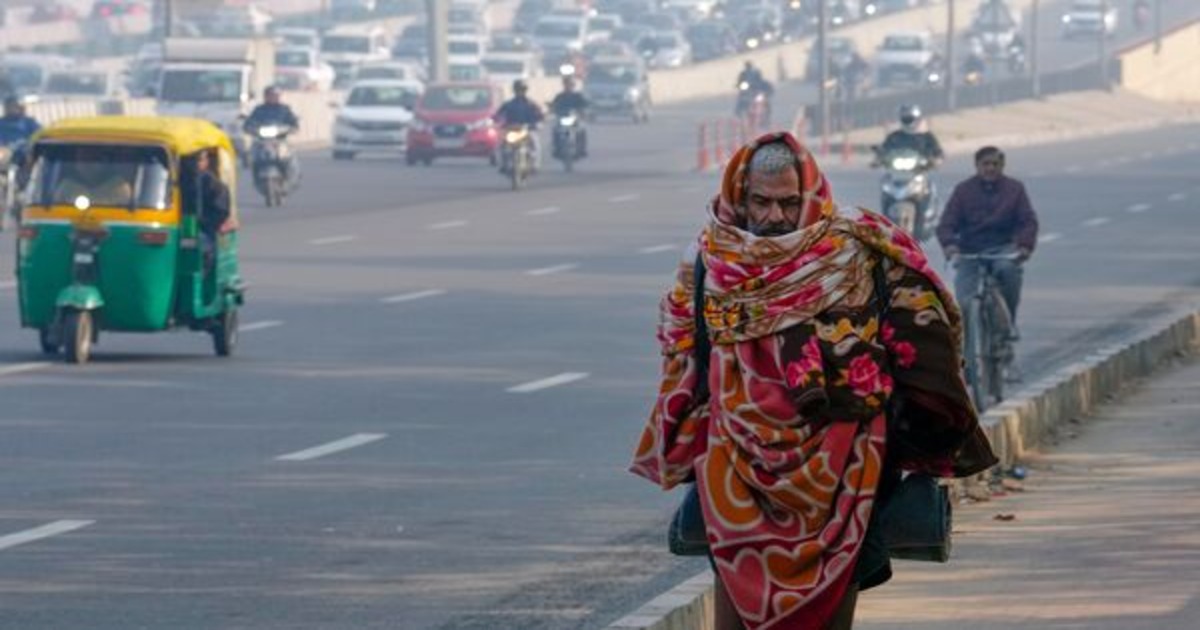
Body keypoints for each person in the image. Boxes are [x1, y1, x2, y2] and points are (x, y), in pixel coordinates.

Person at [631, 132, 997, 630]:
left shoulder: (856, 248)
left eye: (787, 202)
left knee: (832, 606)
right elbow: (681, 349)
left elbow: (923, 335)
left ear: (810, 194)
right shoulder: (710, 260)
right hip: (735, 463)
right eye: (761, 202)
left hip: (844, 468)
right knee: (735, 604)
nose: (775, 216)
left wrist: (930, 431)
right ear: (740, 196)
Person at [937, 145, 1039, 343]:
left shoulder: (1014, 189)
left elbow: (1028, 221)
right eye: (985, 164)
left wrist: (1024, 246)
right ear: (977, 166)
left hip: (1002, 249)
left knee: (1008, 272)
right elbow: (946, 223)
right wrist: (950, 245)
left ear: (1002, 166)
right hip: (970, 251)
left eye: (995, 164)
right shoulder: (963, 191)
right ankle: (967, 349)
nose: (990, 168)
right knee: (964, 299)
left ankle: (1008, 323)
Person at [243, 86, 300, 188]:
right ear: (265, 96)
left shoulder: (284, 109)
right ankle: (257, 178)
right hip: (262, 140)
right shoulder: (259, 110)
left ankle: (290, 177)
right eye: (270, 95)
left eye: (275, 95)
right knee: (251, 156)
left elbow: (293, 123)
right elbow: (249, 122)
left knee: (289, 157)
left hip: (279, 140)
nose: (272, 97)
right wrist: (250, 127)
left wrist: (291, 128)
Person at [52, 146, 134, 208]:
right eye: (83, 158)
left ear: (103, 161)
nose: (87, 165)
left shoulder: (120, 187)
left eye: (92, 158)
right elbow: (54, 215)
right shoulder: (66, 187)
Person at [494, 79, 544, 169]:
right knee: (500, 145)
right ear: (514, 91)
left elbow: (540, 115)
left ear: (525, 90)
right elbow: (498, 115)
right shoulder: (508, 104)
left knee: (535, 144)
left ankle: (535, 164)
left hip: (526, 130)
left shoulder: (531, 104)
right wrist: (496, 121)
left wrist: (537, 123)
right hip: (511, 130)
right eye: (518, 90)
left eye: (522, 89)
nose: (520, 92)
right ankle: (502, 164)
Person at [549, 75, 589, 158]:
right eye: (567, 84)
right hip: (562, 119)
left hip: (574, 119)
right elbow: (554, 105)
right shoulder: (559, 96)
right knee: (555, 130)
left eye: (570, 85)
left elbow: (584, 105)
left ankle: (582, 149)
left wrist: (582, 111)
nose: (568, 86)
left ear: (573, 86)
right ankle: (556, 148)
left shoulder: (577, 96)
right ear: (564, 85)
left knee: (582, 130)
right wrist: (552, 109)